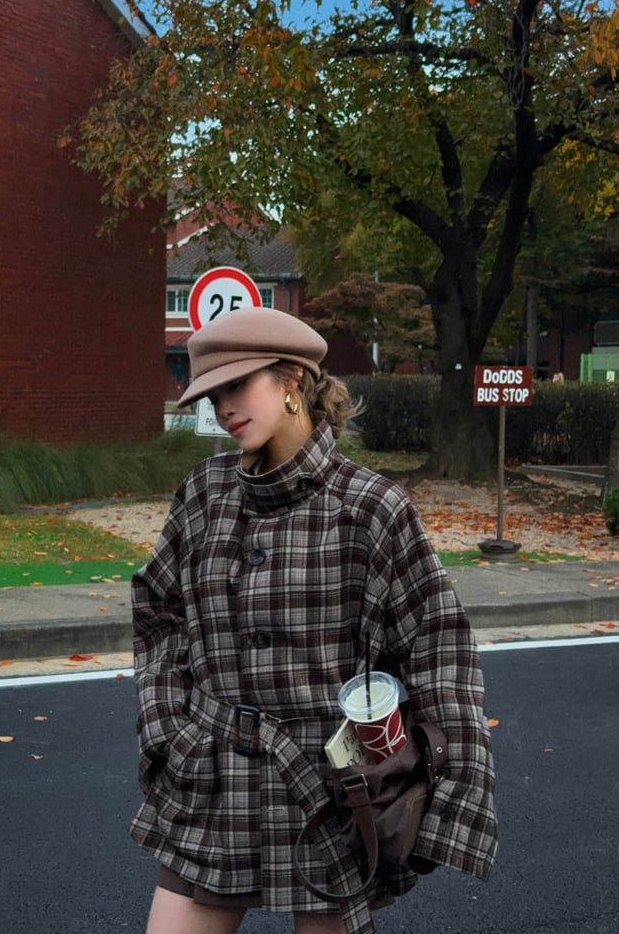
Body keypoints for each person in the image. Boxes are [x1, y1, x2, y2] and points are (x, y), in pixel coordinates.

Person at [130, 307, 497, 934]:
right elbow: (157, 611)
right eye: (213, 393)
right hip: (213, 775)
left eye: (238, 385)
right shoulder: (202, 494)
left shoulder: (371, 508)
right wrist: (169, 732)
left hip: (329, 788)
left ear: (294, 380)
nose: (224, 407)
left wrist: (451, 807)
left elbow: (439, 653)